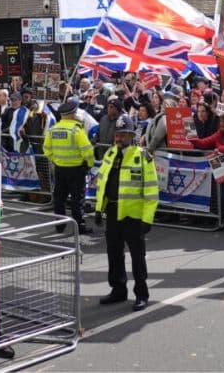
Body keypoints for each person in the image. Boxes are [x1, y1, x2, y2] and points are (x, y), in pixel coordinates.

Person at [94, 115, 158, 311]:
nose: (119, 138)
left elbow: (151, 191)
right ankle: (118, 290)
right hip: (113, 211)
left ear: (131, 135)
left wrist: (147, 219)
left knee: (137, 257)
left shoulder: (143, 157)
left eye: (123, 135)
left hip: (134, 215)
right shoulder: (110, 154)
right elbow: (102, 184)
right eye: (117, 134)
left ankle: (142, 294)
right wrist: (98, 209)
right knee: (114, 254)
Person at [43, 100, 95, 234]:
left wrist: (56, 160)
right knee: (77, 200)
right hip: (76, 170)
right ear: (72, 114)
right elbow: (87, 151)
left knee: (59, 199)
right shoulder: (76, 130)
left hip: (60, 169)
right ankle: (79, 226)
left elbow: (47, 149)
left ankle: (59, 225)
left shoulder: (53, 129)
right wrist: (88, 164)